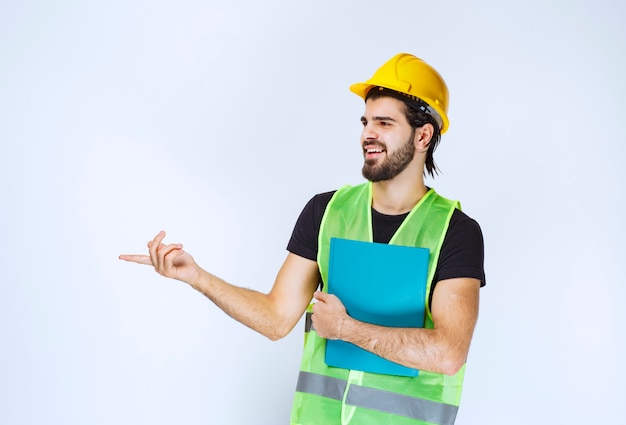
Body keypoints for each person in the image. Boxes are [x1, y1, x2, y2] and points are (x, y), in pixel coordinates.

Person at [120, 52, 485, 425]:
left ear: (423, 135)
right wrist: (196, 276)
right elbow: (276, 319)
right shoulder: (327, 211)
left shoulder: (454, 232)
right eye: (365, 121)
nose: (367, 134)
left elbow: (448, 353)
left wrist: (346, 329)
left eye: (384, 123)